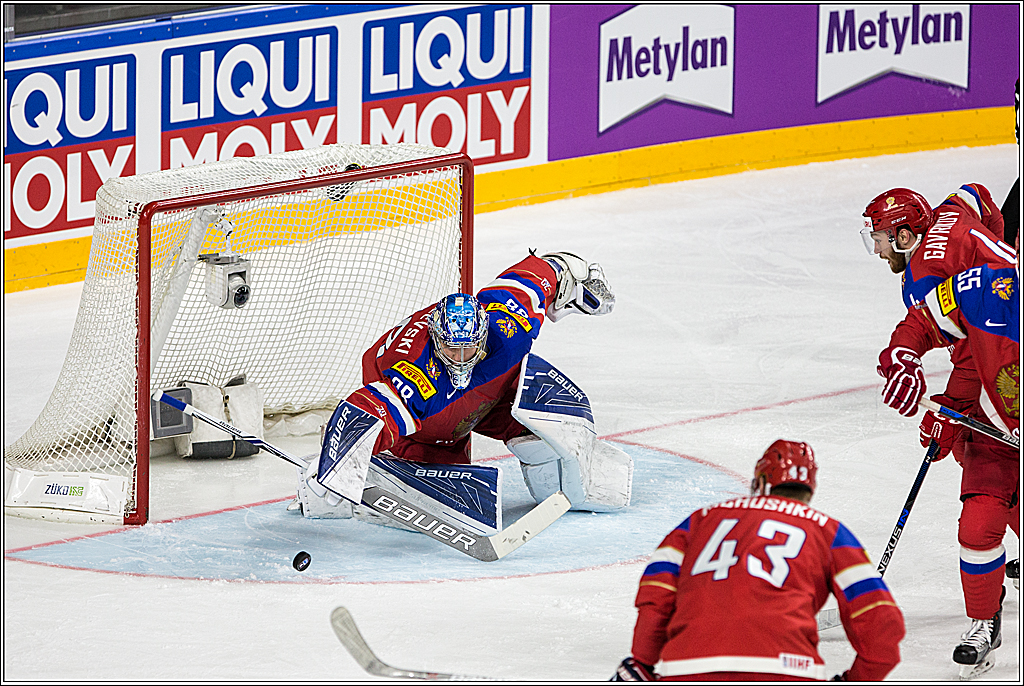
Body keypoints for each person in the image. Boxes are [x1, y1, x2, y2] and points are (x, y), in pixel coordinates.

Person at [297, 250, 633, 530]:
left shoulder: (508, 323)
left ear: (484, 333)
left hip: (492, 399)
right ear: (436, 339)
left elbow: (548, 270)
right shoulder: (417, 375)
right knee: (448, 503)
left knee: (548, 436)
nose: (460, 359)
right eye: (451, 349)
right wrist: (339, 454)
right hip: (432, 426)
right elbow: (371, 409)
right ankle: (367, 473)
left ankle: (570, 485)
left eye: (468, 348)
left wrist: (580, 280)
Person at [613, 440, 905, 681]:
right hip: (788, 670)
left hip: (690, 667)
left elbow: (657, 592)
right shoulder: (827, 530)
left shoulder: (701, 519)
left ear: (762, 481)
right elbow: (881, 619)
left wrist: (643, 661)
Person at [876, 262, 1019, 679]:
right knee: (978, 525)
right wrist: (903, 359)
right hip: (996, 431)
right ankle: (984, 621)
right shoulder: (986, 287)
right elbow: (922, 321)